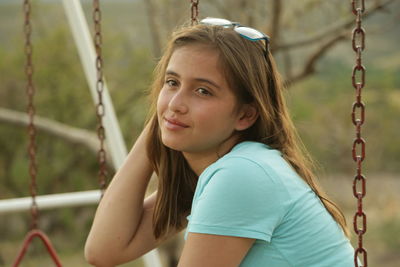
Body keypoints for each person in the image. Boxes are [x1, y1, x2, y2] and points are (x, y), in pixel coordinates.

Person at [84, 17, 356, 267]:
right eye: (172, 82)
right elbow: (104, 250)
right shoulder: (220, 171)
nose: (177, 103)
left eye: (203, 91)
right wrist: (163, 119)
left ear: (245, 114)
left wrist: (169, 115)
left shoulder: (242, 174)